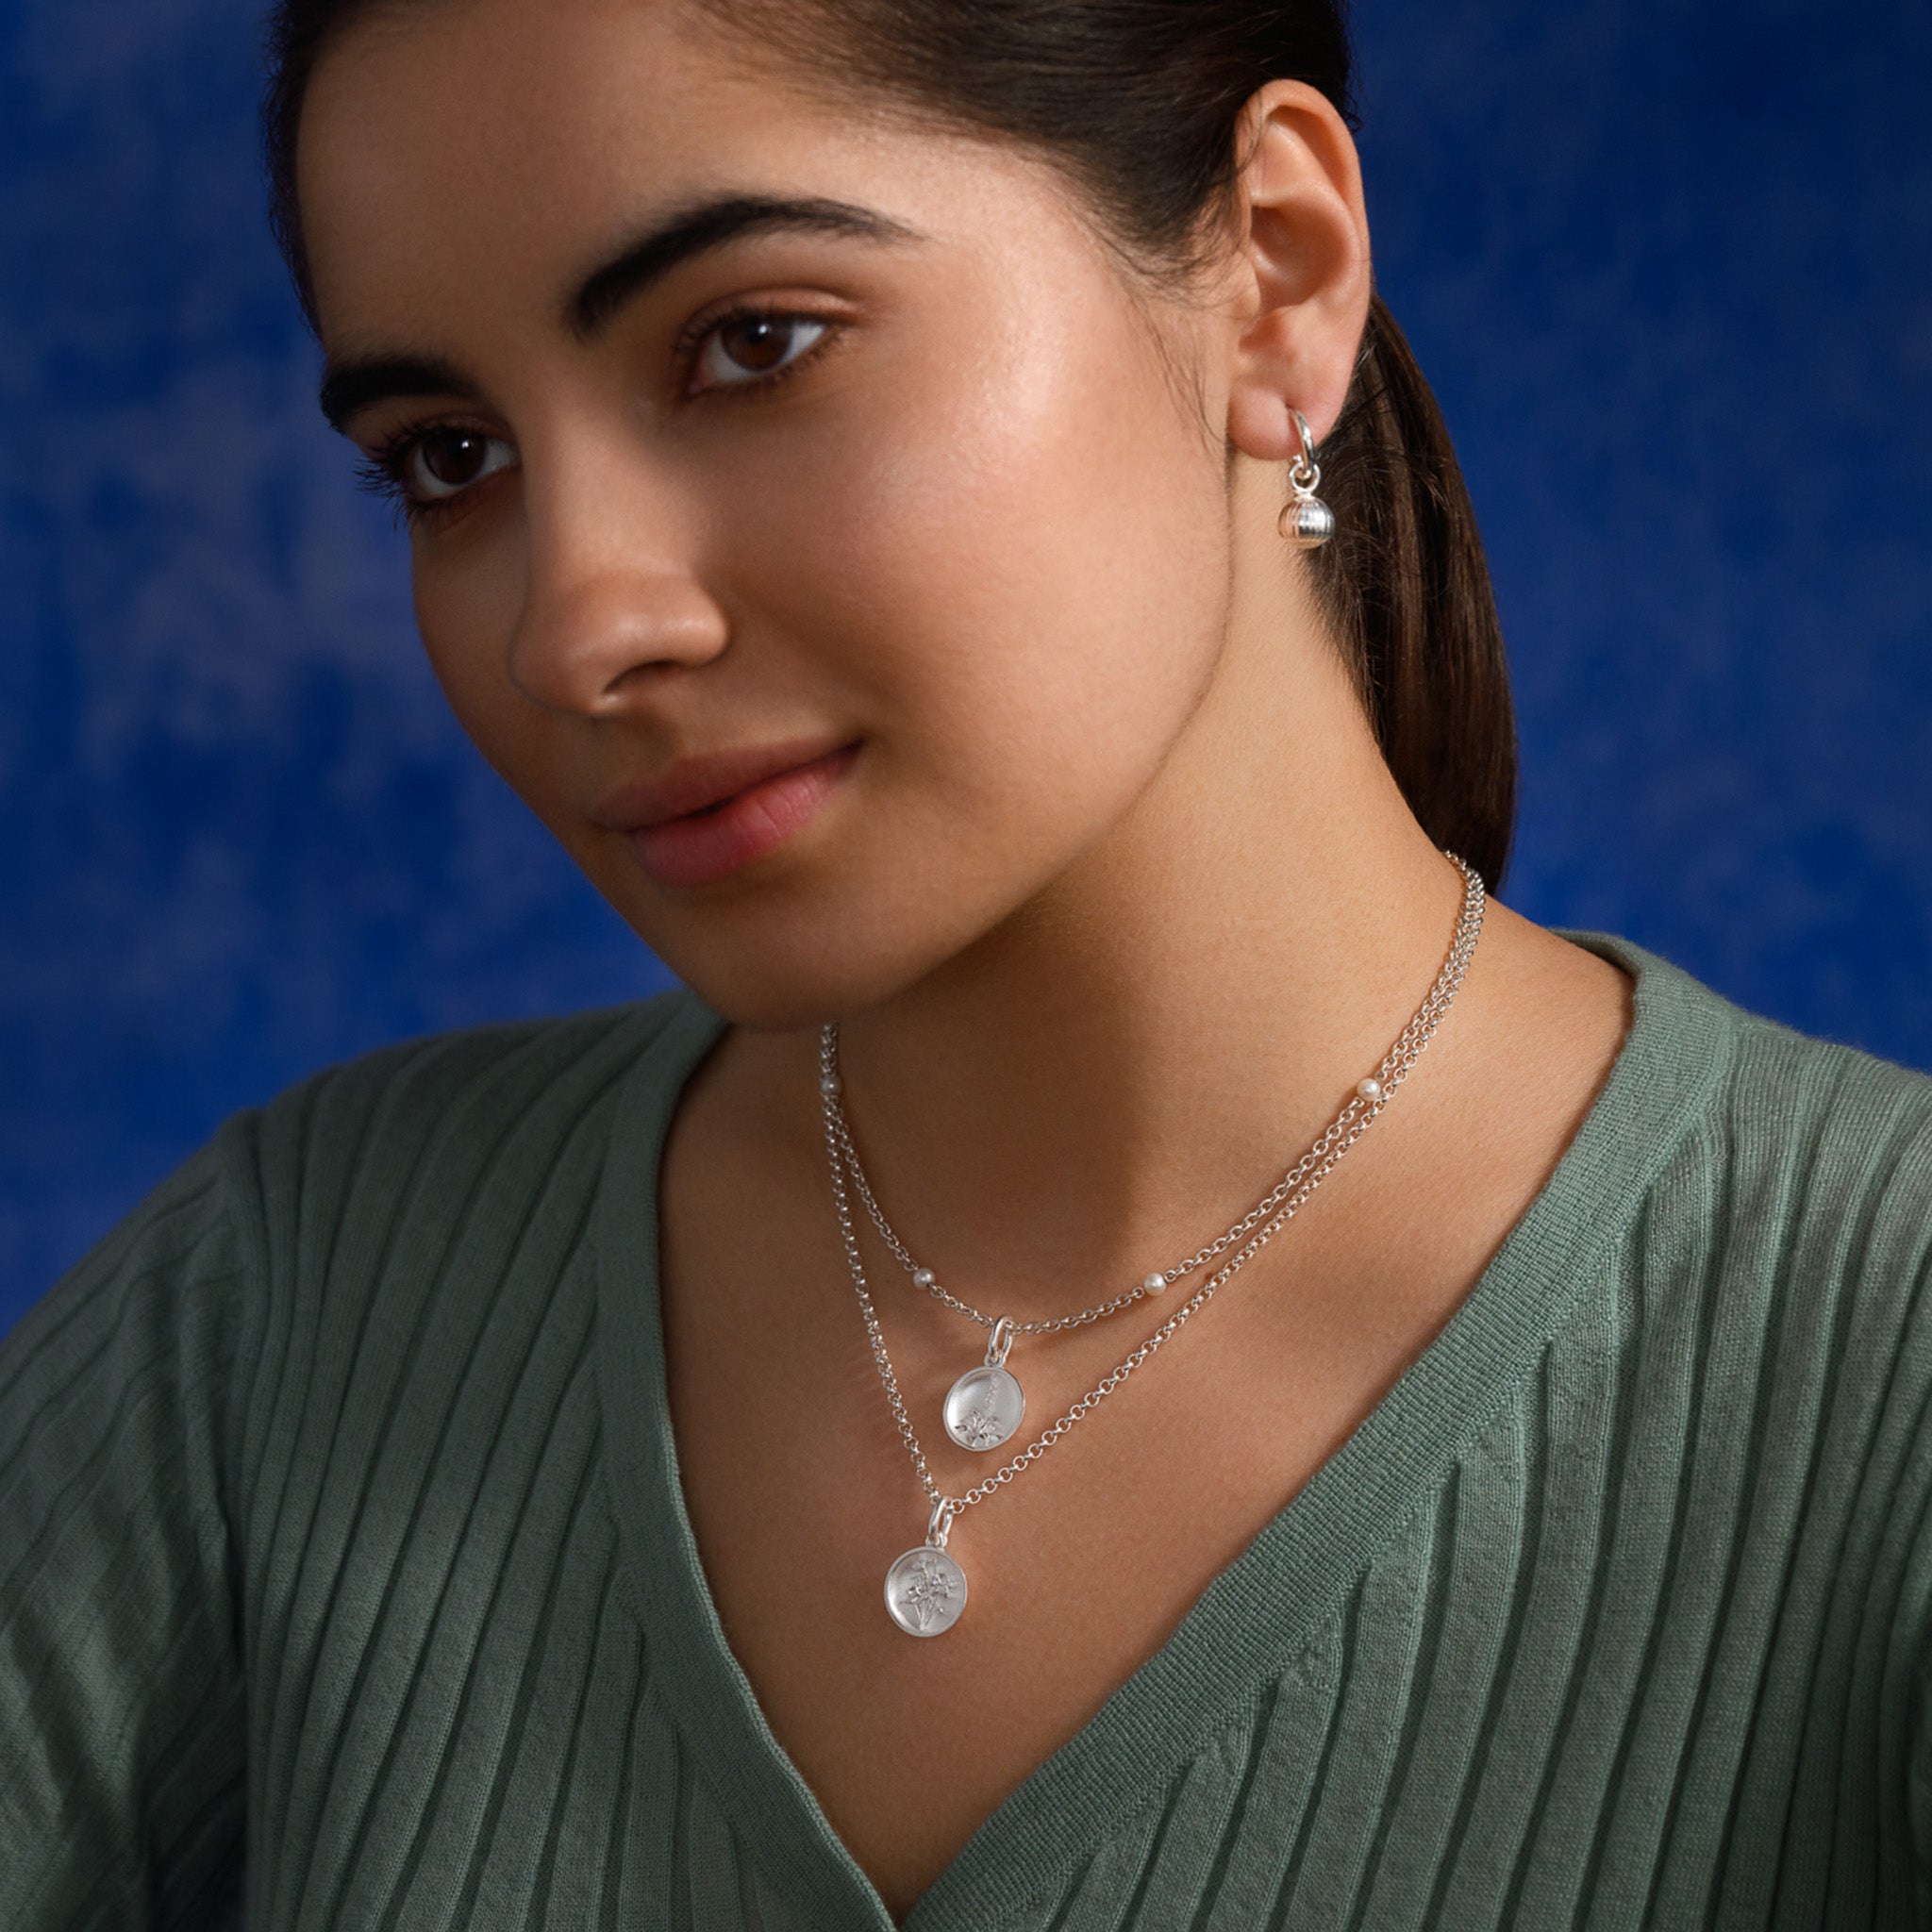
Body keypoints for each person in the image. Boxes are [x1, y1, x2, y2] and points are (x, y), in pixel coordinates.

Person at [4, 0, 1929, 1924]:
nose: (576, 625)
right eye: (448, 457)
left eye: (753, 343)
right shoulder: (293, 1309)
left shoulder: (1876, 1360)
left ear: (1272, 274)